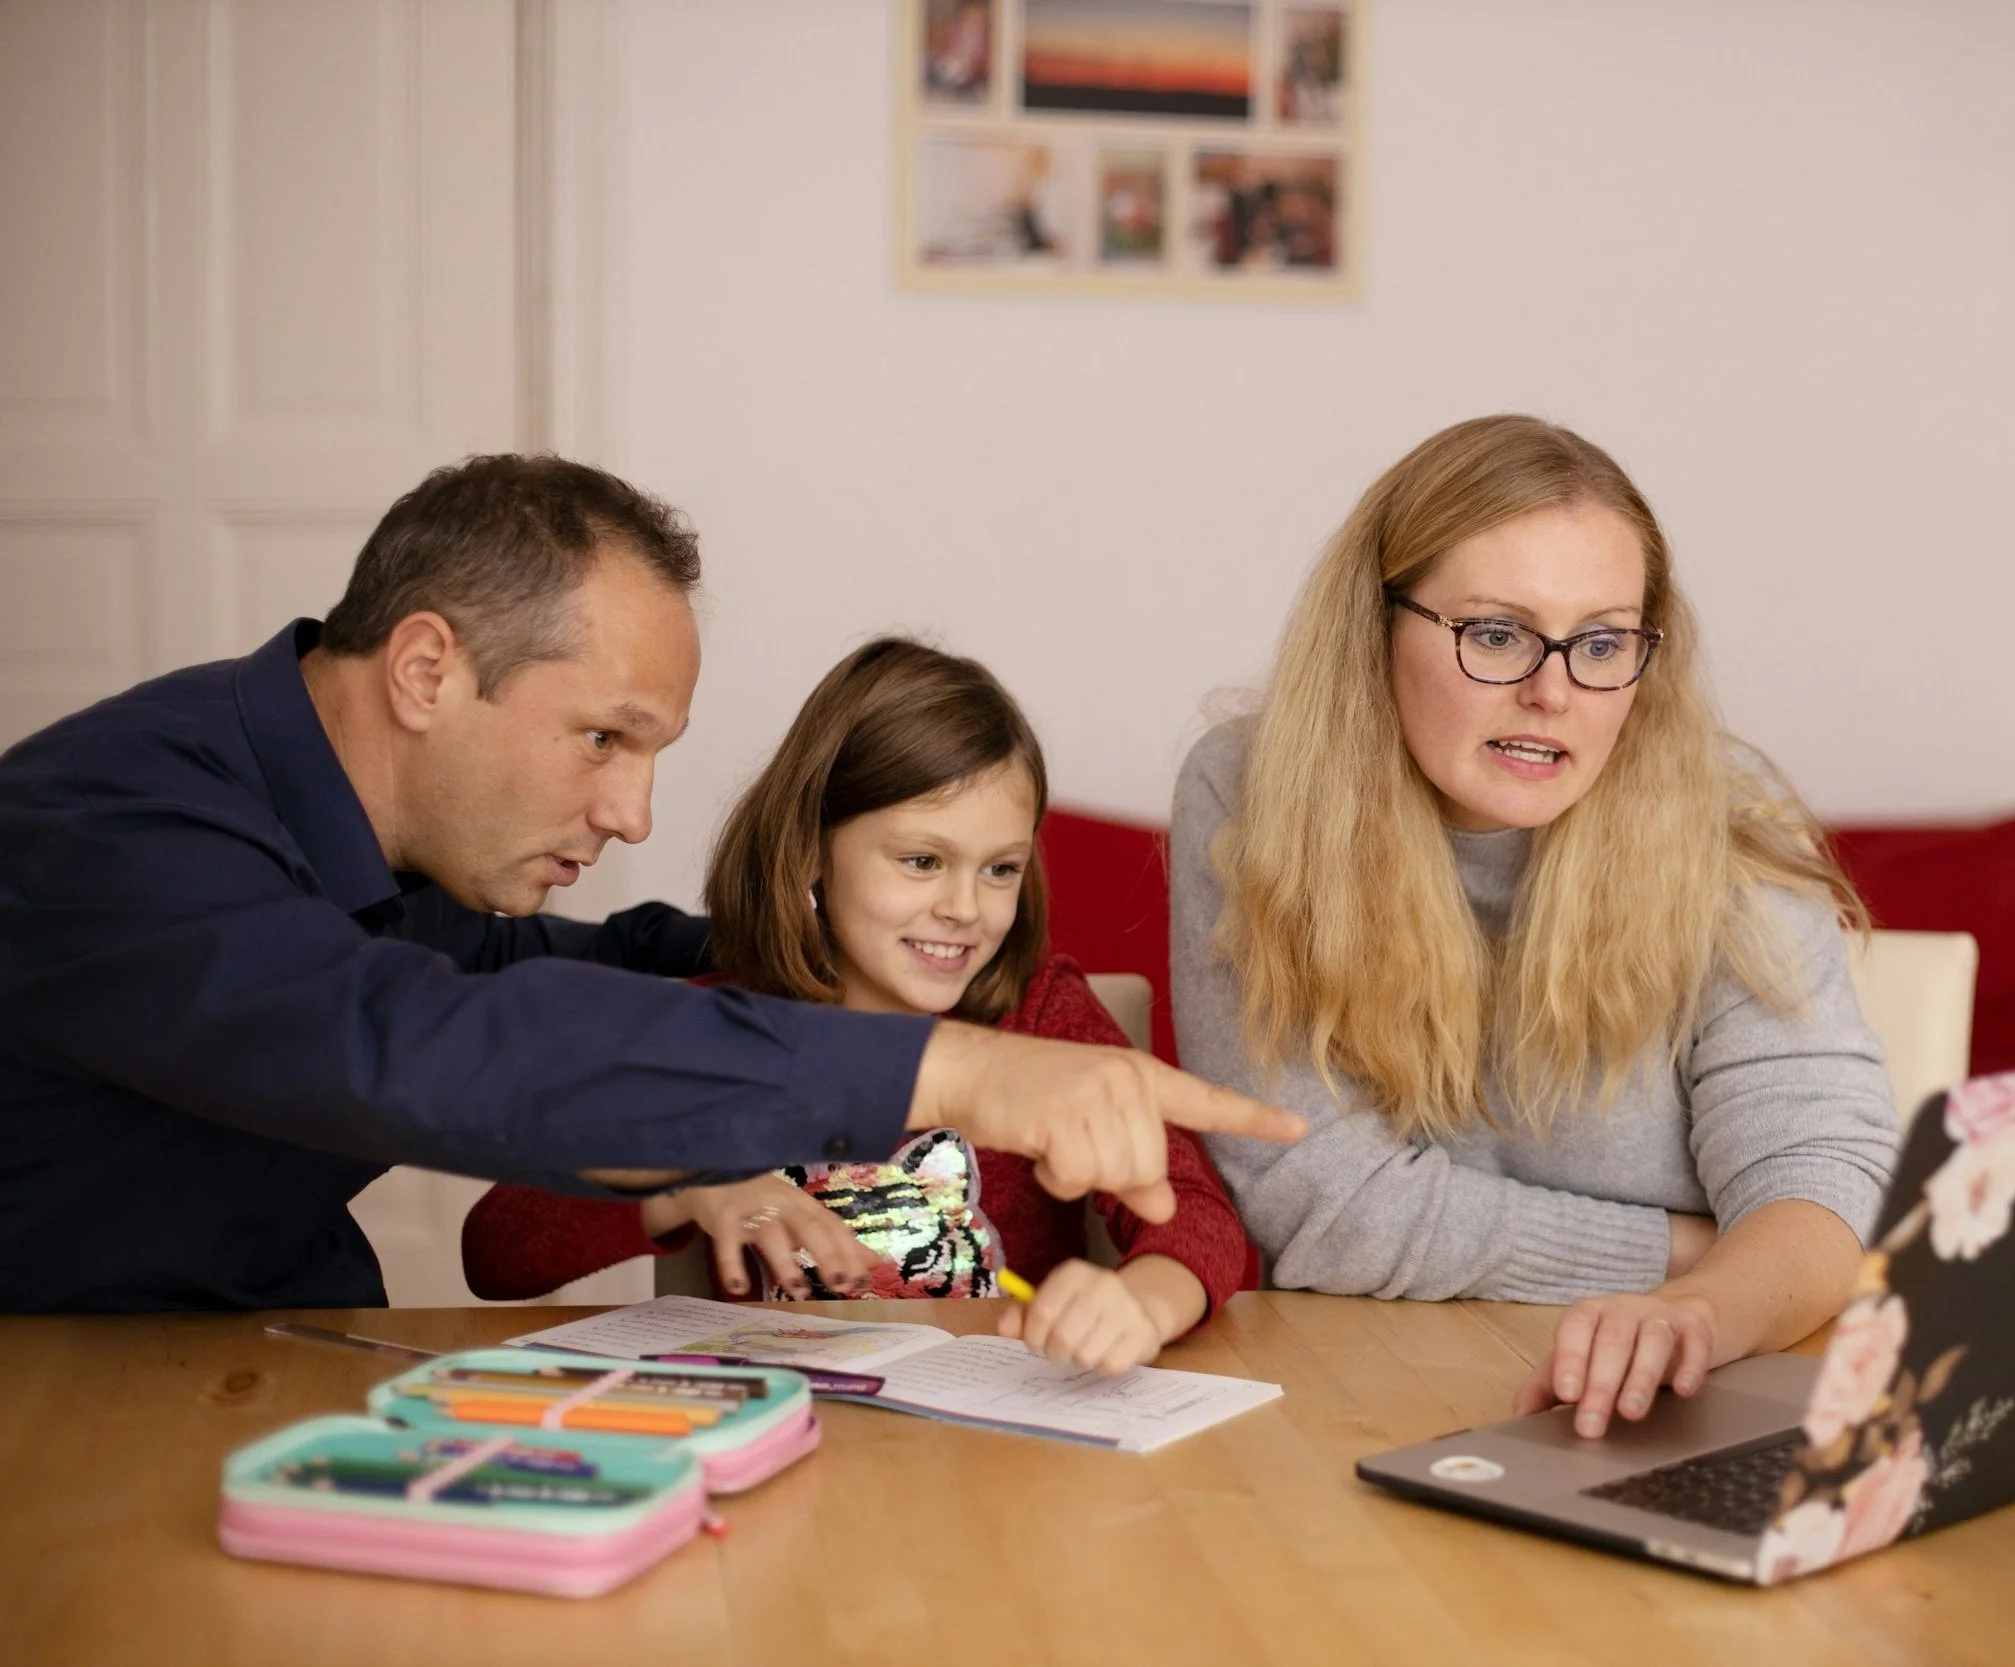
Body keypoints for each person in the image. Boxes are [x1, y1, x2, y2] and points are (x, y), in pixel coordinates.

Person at [0, 455, 1297, 1314]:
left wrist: (823, 945)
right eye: (603, 738)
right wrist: (946, 1068)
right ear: (425, 670)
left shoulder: (415, 854)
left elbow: (581, 968)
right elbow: (413, 1041)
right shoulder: (110, 829)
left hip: (278, 1349)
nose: (631, 812)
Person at [1171, 415, 1898, 1438]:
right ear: (1373, 628)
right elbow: (1318, 1208)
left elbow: (1825, 1183)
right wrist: (1699, 1248)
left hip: (1687, 1395)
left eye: (1601, 641)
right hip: (1360, 1398)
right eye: (1497, 632)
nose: (1553, 690)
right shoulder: (1249, 792)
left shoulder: (1722, 821)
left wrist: (1697, 1307)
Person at [464, 639, 1255, 1375]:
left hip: (1001, 1454)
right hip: (785, 1443)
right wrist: (682, 1179)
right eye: (922, 860)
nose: (963, 907)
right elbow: (496, 1249)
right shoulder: (718, 1031)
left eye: (1000, 868)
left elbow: (1200, 1216)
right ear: (812, 849)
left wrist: (1142, 1300)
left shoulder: (1042, 1011)